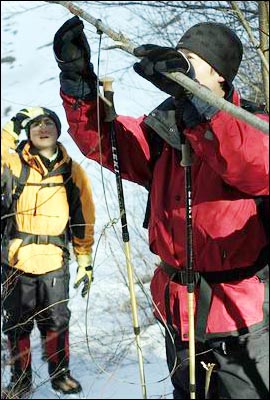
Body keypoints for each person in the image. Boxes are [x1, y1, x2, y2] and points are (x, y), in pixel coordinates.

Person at [53, 16, 269, 399]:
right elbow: (107, 142)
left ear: (220, 76)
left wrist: (199, 108)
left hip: (241, 316)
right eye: (177, 57)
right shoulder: (164, 130)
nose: (178, 65)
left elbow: (248, 161)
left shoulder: (254, 124)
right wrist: (79, 83)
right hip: (177, 309)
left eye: (190, 60)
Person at [1, 106, 95, 398]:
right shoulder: (15, 165)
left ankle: (60, 375)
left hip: (55, 260)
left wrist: (84, 258)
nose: (43, 128)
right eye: (36, 125)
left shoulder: (71, 170)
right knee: (17, 325)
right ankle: (21, 381)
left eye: (49, 123)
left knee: (57, 320)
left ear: (58, 130)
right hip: (17, 259)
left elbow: (83, 216)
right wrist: (14, 124)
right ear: (28, 133)